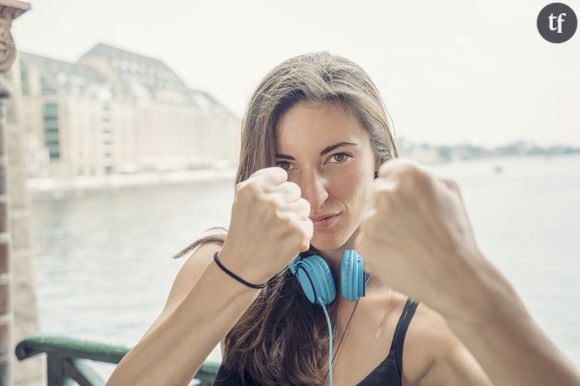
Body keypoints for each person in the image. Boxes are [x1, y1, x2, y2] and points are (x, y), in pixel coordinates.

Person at [107, 52, 580, 386]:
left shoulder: (424, 326)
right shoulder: (221, 270)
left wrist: (470, 286)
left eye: (336, 157)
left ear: (379, 158)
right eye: (285, 163)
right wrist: (238, 273)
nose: (313, 194)